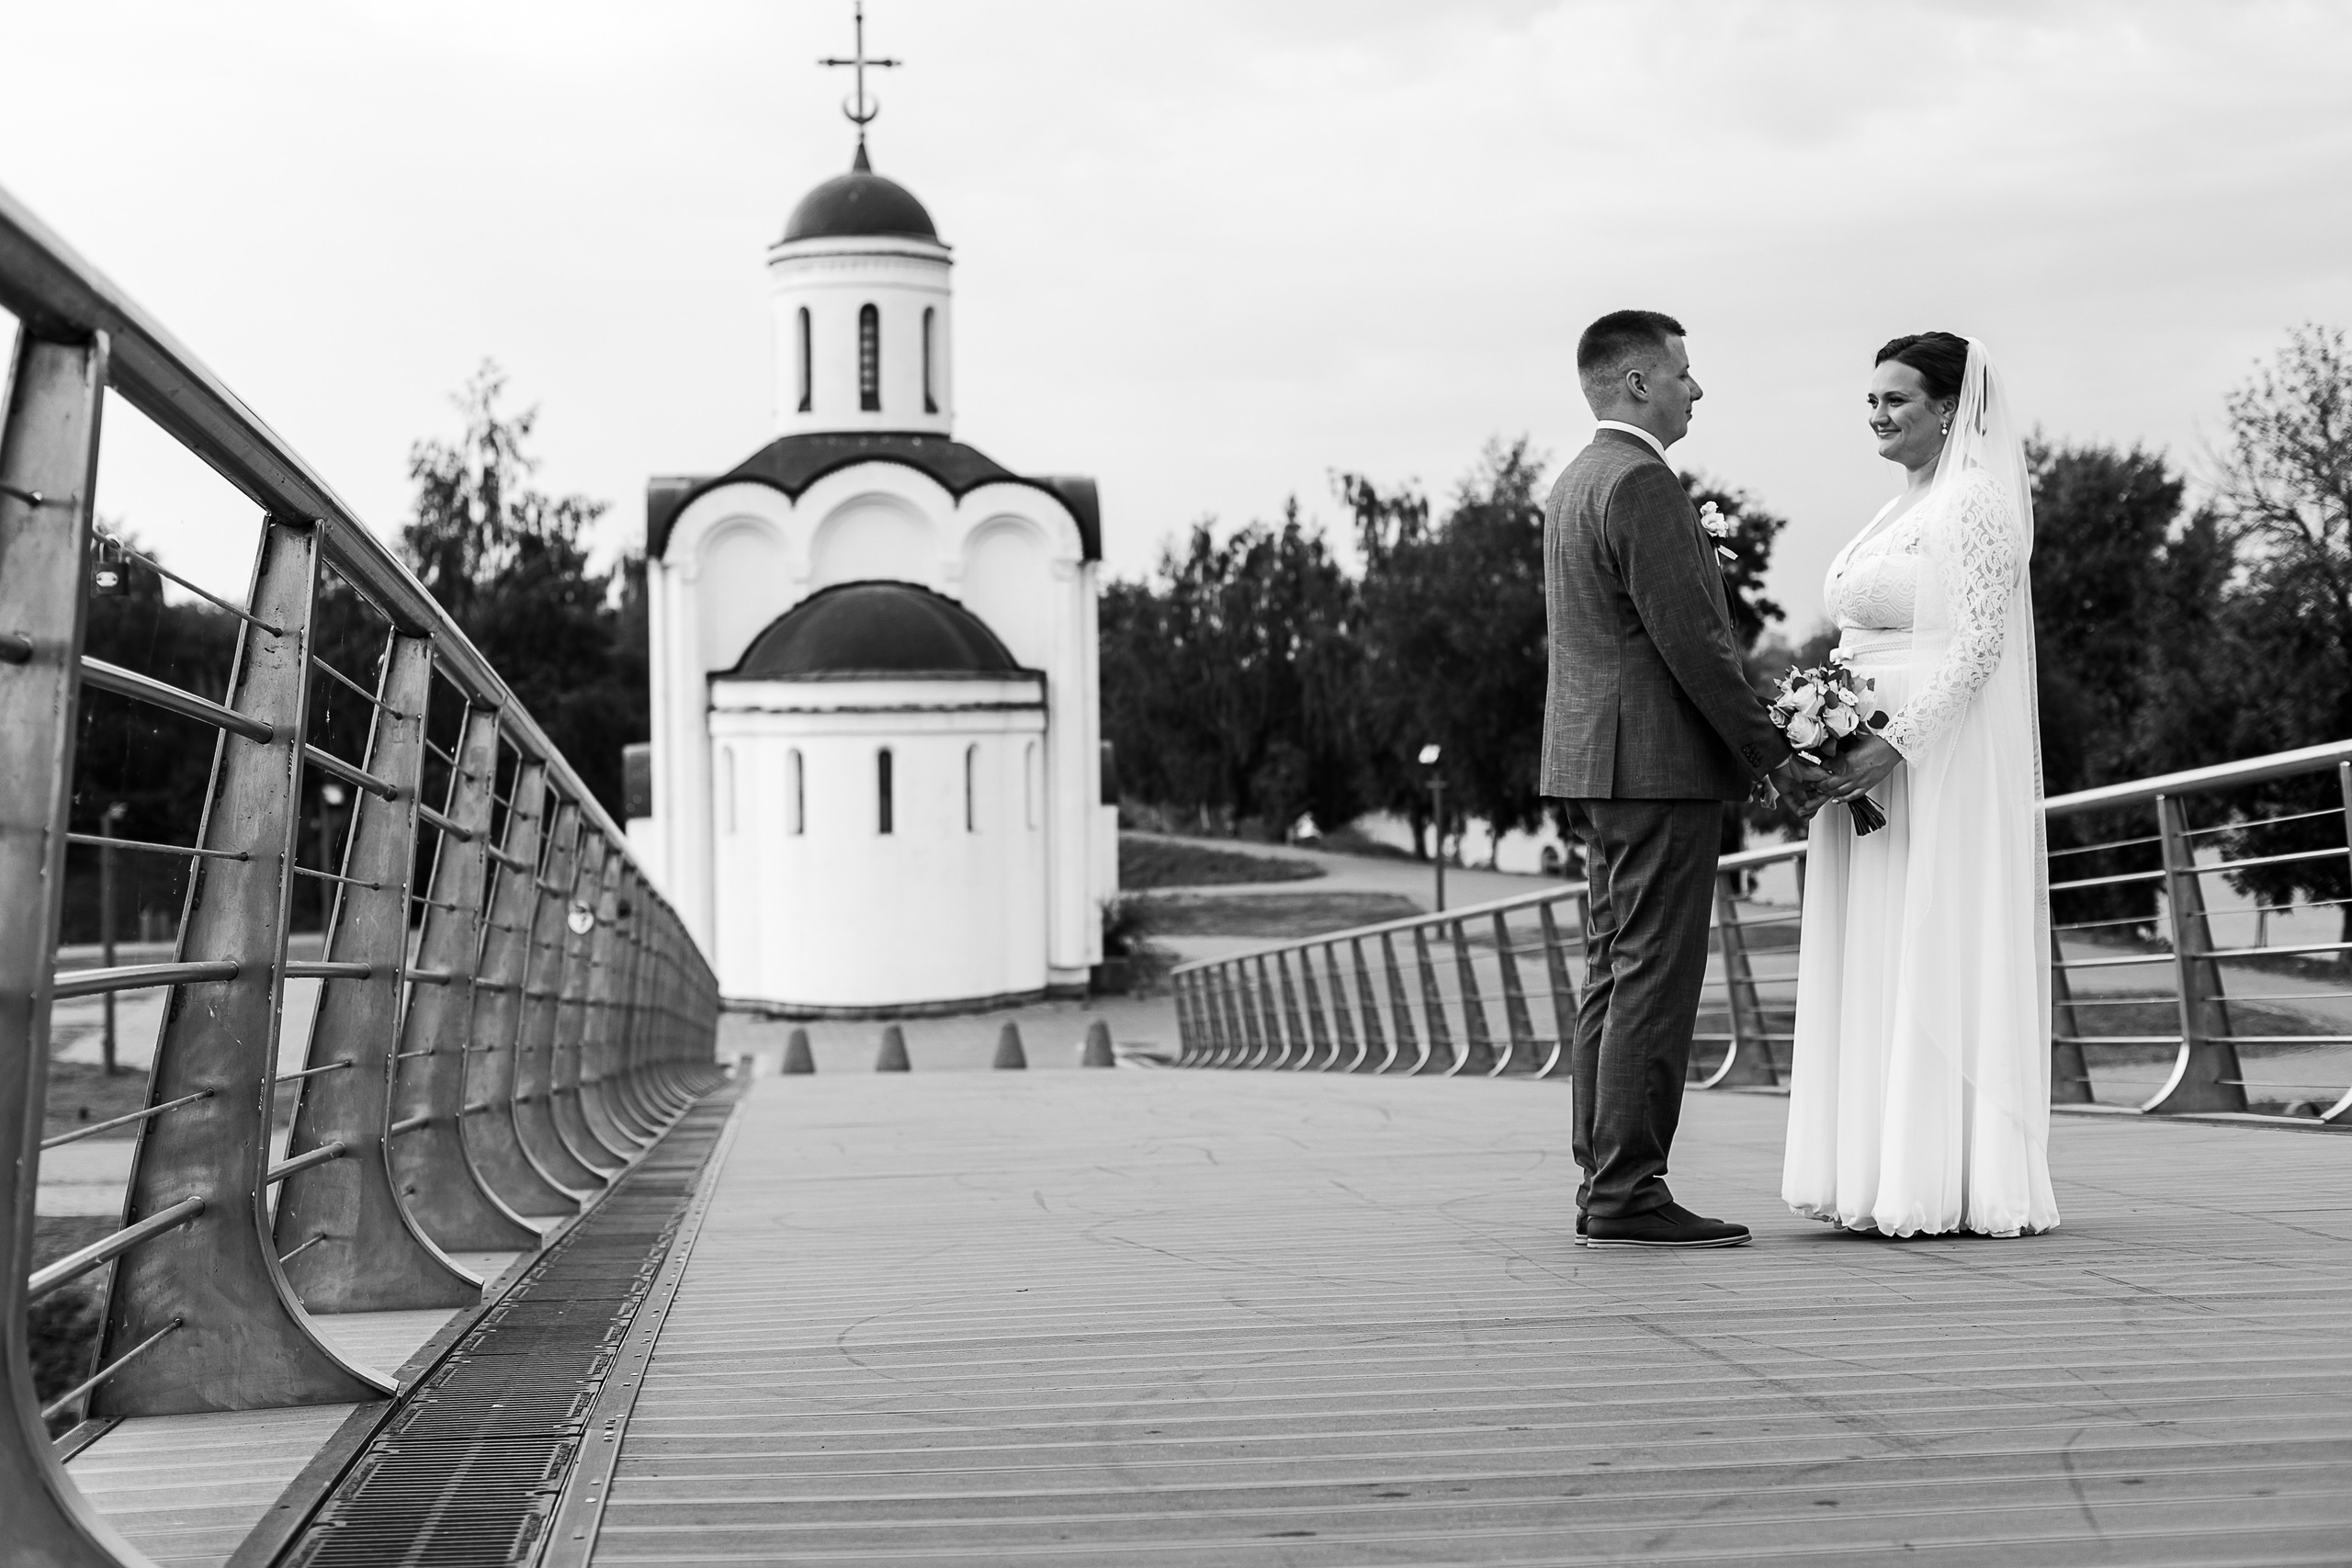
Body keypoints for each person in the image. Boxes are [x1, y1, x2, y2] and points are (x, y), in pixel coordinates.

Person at [1541, 310, 1828, 1250]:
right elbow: (1695, 647)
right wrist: (1776, 756)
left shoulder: (1575, 481)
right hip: (1657, 767)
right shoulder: (1640, 484)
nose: (1695, 389)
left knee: (1613, 973)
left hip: (1600, 761)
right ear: (1636, 383)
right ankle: (1628, 1191)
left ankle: (1606, 1181)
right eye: (1682, 373)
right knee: (1652, 979)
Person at [1781, 333, 2060, 1238]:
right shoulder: (1898, 503)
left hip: (1924, 764)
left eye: (1896, 399)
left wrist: (1890, 746)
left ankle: (1941, 1175)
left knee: (1925, 941)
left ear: (1948, 408)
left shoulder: (1973, 499)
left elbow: (1980, 643)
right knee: (1874, 953)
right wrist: (1824, 722)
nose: (1877, 413)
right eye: (1871, 399)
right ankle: (1869, 1169)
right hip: (1865, 755)